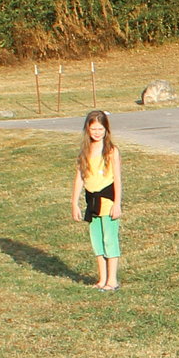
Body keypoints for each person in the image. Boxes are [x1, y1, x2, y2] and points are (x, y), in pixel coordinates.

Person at [72, 110, 123, 290]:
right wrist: (74, 203)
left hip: (108, 201)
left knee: (110, 239)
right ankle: (102, 279)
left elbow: (117, 178)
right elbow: (80, 178)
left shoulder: (111, 151)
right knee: (97, 241)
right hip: (92, 202)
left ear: (106, 129)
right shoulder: (84, 152)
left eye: (100, 129)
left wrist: (117, 203)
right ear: (87, 129)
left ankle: (112, 280)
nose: (97, 132)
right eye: (93, 128)